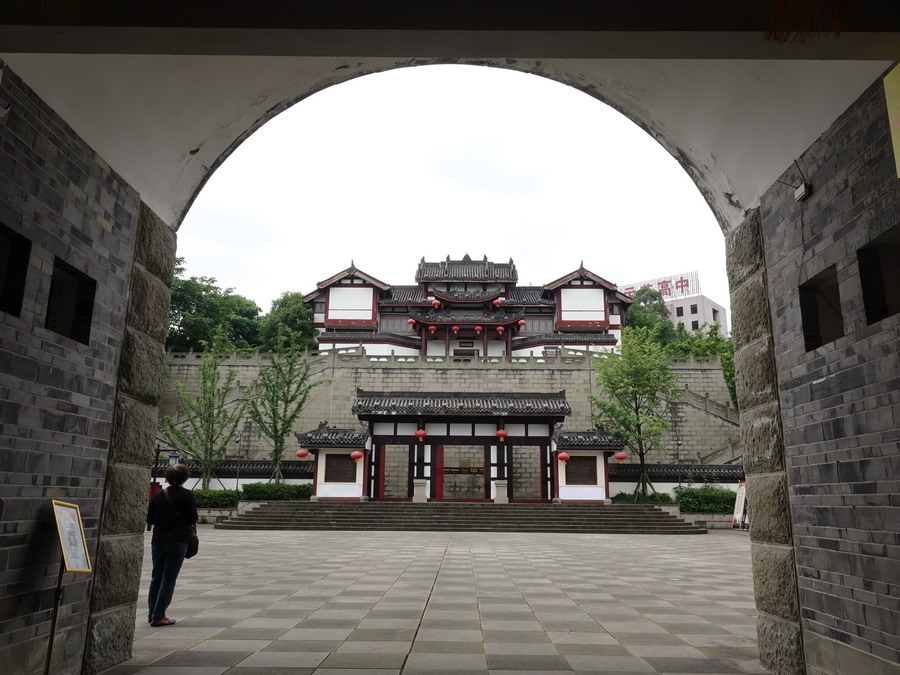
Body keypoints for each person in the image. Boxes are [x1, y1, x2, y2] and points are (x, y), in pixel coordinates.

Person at [146, 463, 197, 627]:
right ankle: (159, 616)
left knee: (156, 577)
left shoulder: (159, 495)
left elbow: (150, 519)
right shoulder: (187, 495)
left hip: (158, 540)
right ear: (185, 478)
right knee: (168, 579)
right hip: (178, 540)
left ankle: (152, 613)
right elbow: (193, 518)